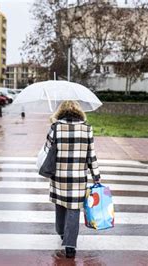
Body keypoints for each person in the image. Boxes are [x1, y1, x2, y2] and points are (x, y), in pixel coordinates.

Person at [43, 100, 101, 259]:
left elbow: (47, 150)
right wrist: (96, 175)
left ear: (61, 112)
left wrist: (53, 127)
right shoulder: (87, 129)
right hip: (78, 177)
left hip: (59, 176)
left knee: (60, 205)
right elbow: (91, 155)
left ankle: (61, 232)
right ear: (78, 112)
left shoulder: (56, 128)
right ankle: (70, 245)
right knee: (73, 209)